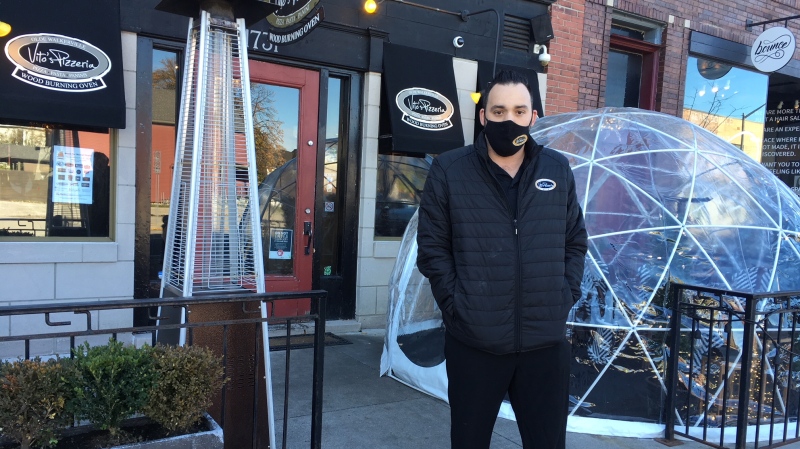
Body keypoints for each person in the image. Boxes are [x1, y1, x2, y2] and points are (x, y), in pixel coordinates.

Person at [416, 70, 588, 449]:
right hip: (474, 344)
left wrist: (564, 294)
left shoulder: (556, 169)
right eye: (498, 111)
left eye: (518, 110)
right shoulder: (450, 170)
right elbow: (432, 248)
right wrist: (457, 305)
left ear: (533, 116)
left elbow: (574, 240)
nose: (508, 120)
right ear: (482, 117)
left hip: (544, 344)